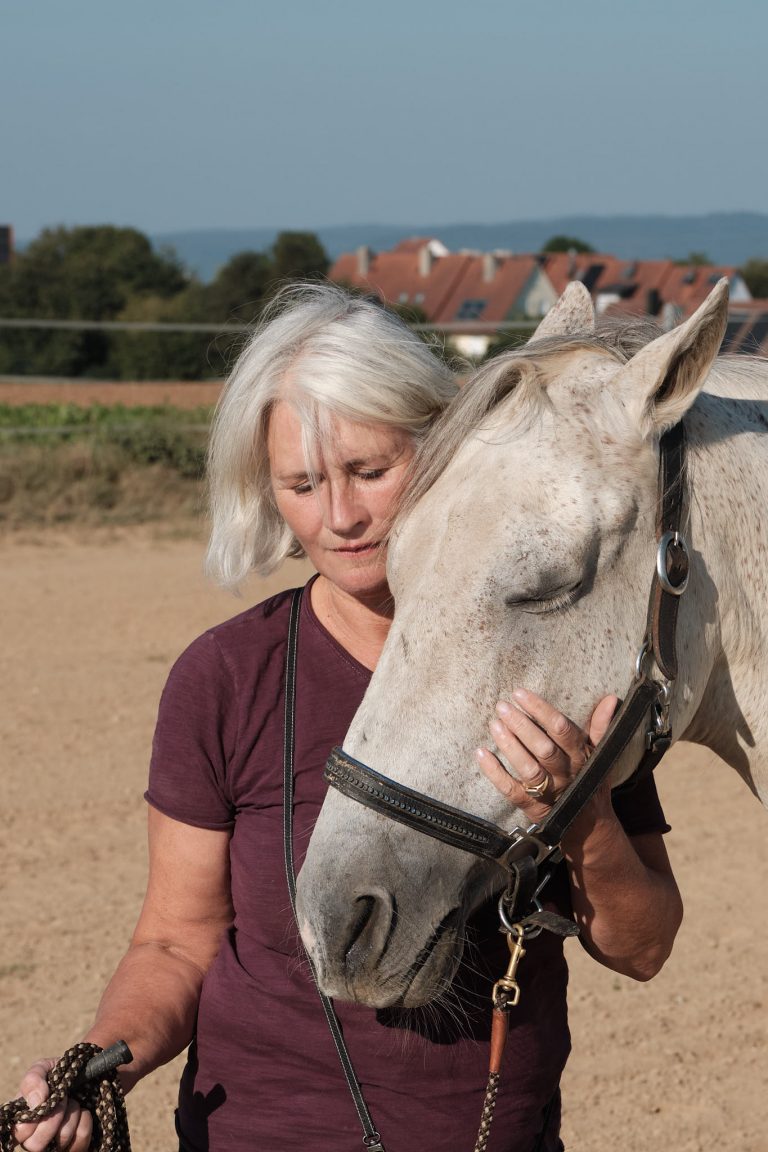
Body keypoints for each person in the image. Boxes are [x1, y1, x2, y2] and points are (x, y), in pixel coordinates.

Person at [14, 283, 682, 1152]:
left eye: (370, 471)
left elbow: (644, 947)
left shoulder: (551, 648)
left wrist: (580, 809)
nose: (340, 517)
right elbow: (176, 944)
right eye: (300, 483)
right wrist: (98, 1066)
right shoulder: (225, 679)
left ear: (441, 444)